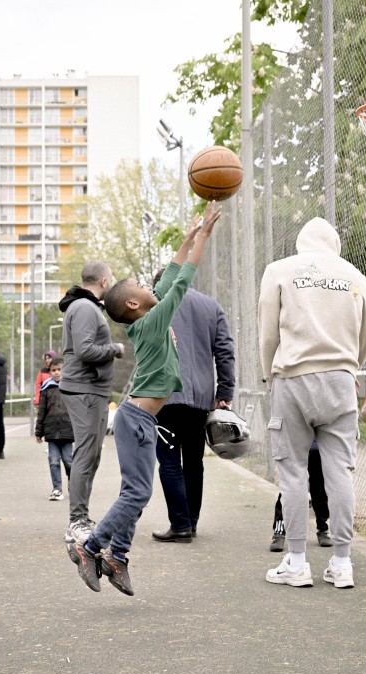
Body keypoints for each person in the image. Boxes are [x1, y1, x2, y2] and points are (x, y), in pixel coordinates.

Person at [68, 203, 221, 596]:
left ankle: (118, 557)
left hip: (141, 420)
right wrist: (202, 237)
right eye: (142, 286)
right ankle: (91, 547)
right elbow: (183, 279)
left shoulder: (149, 319)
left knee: (136, 490)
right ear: (135, 305)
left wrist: (187, 236)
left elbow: (170, 276)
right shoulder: (154, 322)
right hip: (136, 419)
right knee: (137, 492)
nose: (152, 289)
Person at [258, 216, 366, 590]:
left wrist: (269, 374)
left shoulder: (278, 270)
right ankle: (342, 564)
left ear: (301, 243)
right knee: (340, 471)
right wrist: (349, 365)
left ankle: (296, 562)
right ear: (335, 245)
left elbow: (267, 332)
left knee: (293, 471)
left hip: (293, 378)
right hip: (341, 379)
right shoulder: (354, 275)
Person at [149, 266, 235, 543]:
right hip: (200, 398)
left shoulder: (157, 304)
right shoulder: (211, 306)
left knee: (170, 461)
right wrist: (224, 391)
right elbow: (225, 351)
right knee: (194, 461)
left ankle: (180, 524)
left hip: (165, 397)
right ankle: (192, 521)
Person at [58, 260, 124, 544]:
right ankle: (77, 522)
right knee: (86, 456)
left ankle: (80, 517)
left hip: (90, 389)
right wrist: (115, 349)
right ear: (105, 282)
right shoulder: (85, 308)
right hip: (84, 389)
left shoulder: (83, 306)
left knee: (90, 455)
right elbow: (85, 350)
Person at [270, 442, 331, 551]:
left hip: (318, 447)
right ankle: (279, 533)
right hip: (294, 447)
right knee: (290, 488)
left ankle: (323, 530)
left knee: (320, 489)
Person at [35, 357, 73, 501]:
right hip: (51, 431)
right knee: (53, 461)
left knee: (69, 460)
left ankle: (73, 482)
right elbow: (42, 411)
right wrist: (39, 431)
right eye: (53, 370)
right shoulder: (46, 388)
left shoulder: (71, 387)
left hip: (68, 430)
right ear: (49, 372)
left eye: (59, 369)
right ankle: (57, 489)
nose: (57, 373)